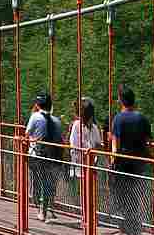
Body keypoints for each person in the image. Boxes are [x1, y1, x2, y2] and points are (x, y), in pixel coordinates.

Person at [109, 86, 151, 235]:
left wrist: (112, 163)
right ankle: (134, 227)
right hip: (139, 163)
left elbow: (115, 144)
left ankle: (128, 230)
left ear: (120, 100)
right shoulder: (142, 118)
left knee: (123, 196)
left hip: (122, 163)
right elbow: (148, 142)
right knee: (134, 195)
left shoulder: (118, 118)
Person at [26, 93, 66, 222]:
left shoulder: (35, 117)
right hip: (53, 157)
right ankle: (47, 207)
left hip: (37, 155)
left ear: (37, 105)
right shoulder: (57, 121)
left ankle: (39, 208)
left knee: (38, 181)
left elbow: (27, 134)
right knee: (48, 183)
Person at [69, 97, 102, 206]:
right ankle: (86, 215)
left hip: (92, 164)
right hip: (80, 163)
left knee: (90, 191)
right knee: (84, 190)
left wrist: (96, 150)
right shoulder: (76, 126)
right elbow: (74, 145)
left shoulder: (94, 128)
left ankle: (90, 215)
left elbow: (98, 144)